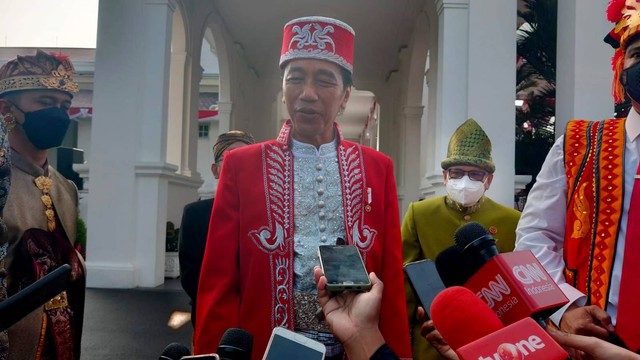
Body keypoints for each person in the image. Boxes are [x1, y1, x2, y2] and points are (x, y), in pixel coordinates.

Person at [194, 16, 411, 359]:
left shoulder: (377, 168)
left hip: (357, 343)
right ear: (283, 89)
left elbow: (390, 281)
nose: (307, 94)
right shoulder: (242, 165)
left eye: (324, 80)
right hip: (268, 341)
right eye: (295, 78)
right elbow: (219, 283)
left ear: (345, 96)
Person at [515, 1, 640, 352]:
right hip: (592, 342)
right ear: (621, 67)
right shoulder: (578, 144)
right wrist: (565, 306)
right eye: (638, 53)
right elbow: (534, 237)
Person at [401, 118, 521, 359]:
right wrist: (403, 344)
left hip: (491, 343)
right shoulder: (419, 214)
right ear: (445, 176)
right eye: (457, 173)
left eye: (475, 174)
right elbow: (405, 286)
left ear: (489, 180)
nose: (465, 181)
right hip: (430, 341)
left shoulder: (512, 220)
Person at [0, 50, 85, 360]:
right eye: (45, 104)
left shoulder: (67, 189)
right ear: (6, 109)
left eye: (64, 106)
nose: (59, 114)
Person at [179, 130, 255, 328]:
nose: (240, 165)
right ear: (215, 170)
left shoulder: (268, 214)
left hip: (258, 314)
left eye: (247, 158)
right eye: (231, 157)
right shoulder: (195, 214)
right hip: (212, 314)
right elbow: (190, 275)